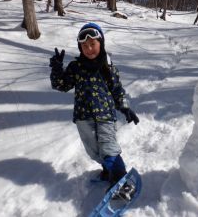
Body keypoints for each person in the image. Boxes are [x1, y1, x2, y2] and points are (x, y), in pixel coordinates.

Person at [49, 22, 139, 199]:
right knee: (93, 150)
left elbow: (117, 89)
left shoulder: (107, 66)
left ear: (101, 44)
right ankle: (108, 170)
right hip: (83, 116)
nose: (89, 49)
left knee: (108, 146)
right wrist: (57, 68)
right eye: (84, 46)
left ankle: (121, 179)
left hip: (105, 115)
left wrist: (125, 107)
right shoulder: (76, 67)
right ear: (80, 47)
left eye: (93, 44)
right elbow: (61, 85)